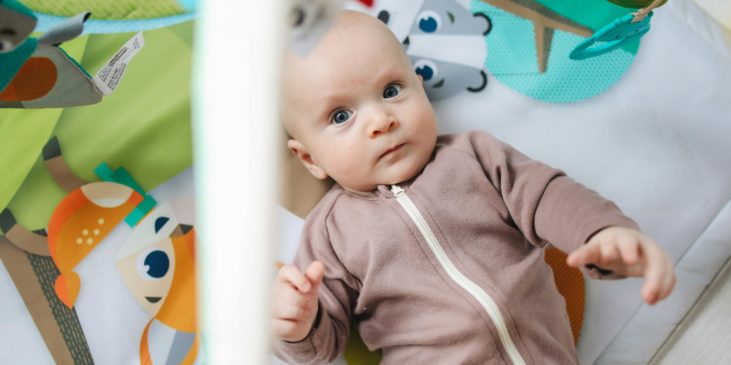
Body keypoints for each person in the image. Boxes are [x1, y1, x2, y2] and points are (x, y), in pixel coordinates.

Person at [271, 10, 675, 365]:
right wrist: (298, 324)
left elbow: (547, 195)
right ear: (309, 158)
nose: (380, 120)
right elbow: (323, 346)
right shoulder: (330, 235)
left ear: (419, 86)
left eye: (391, 91)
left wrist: (601, 232)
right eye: (341, 115)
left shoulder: (474, 157)